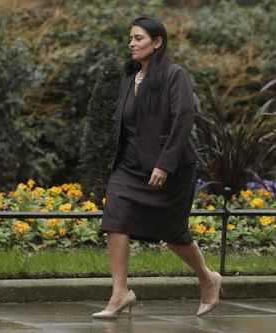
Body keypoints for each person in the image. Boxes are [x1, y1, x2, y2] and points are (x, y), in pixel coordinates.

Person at [92, 16, 222, 320]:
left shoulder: (174, 75)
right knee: (115, 219)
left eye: (138, 38)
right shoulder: (130, 77)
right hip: (129, 165)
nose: (132, 44)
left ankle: (207, 278)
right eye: (131, 39)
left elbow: (183, 120)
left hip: (171, 168)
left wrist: (165, 164)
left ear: (157, 42)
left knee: (173, 234)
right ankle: (120, 292)